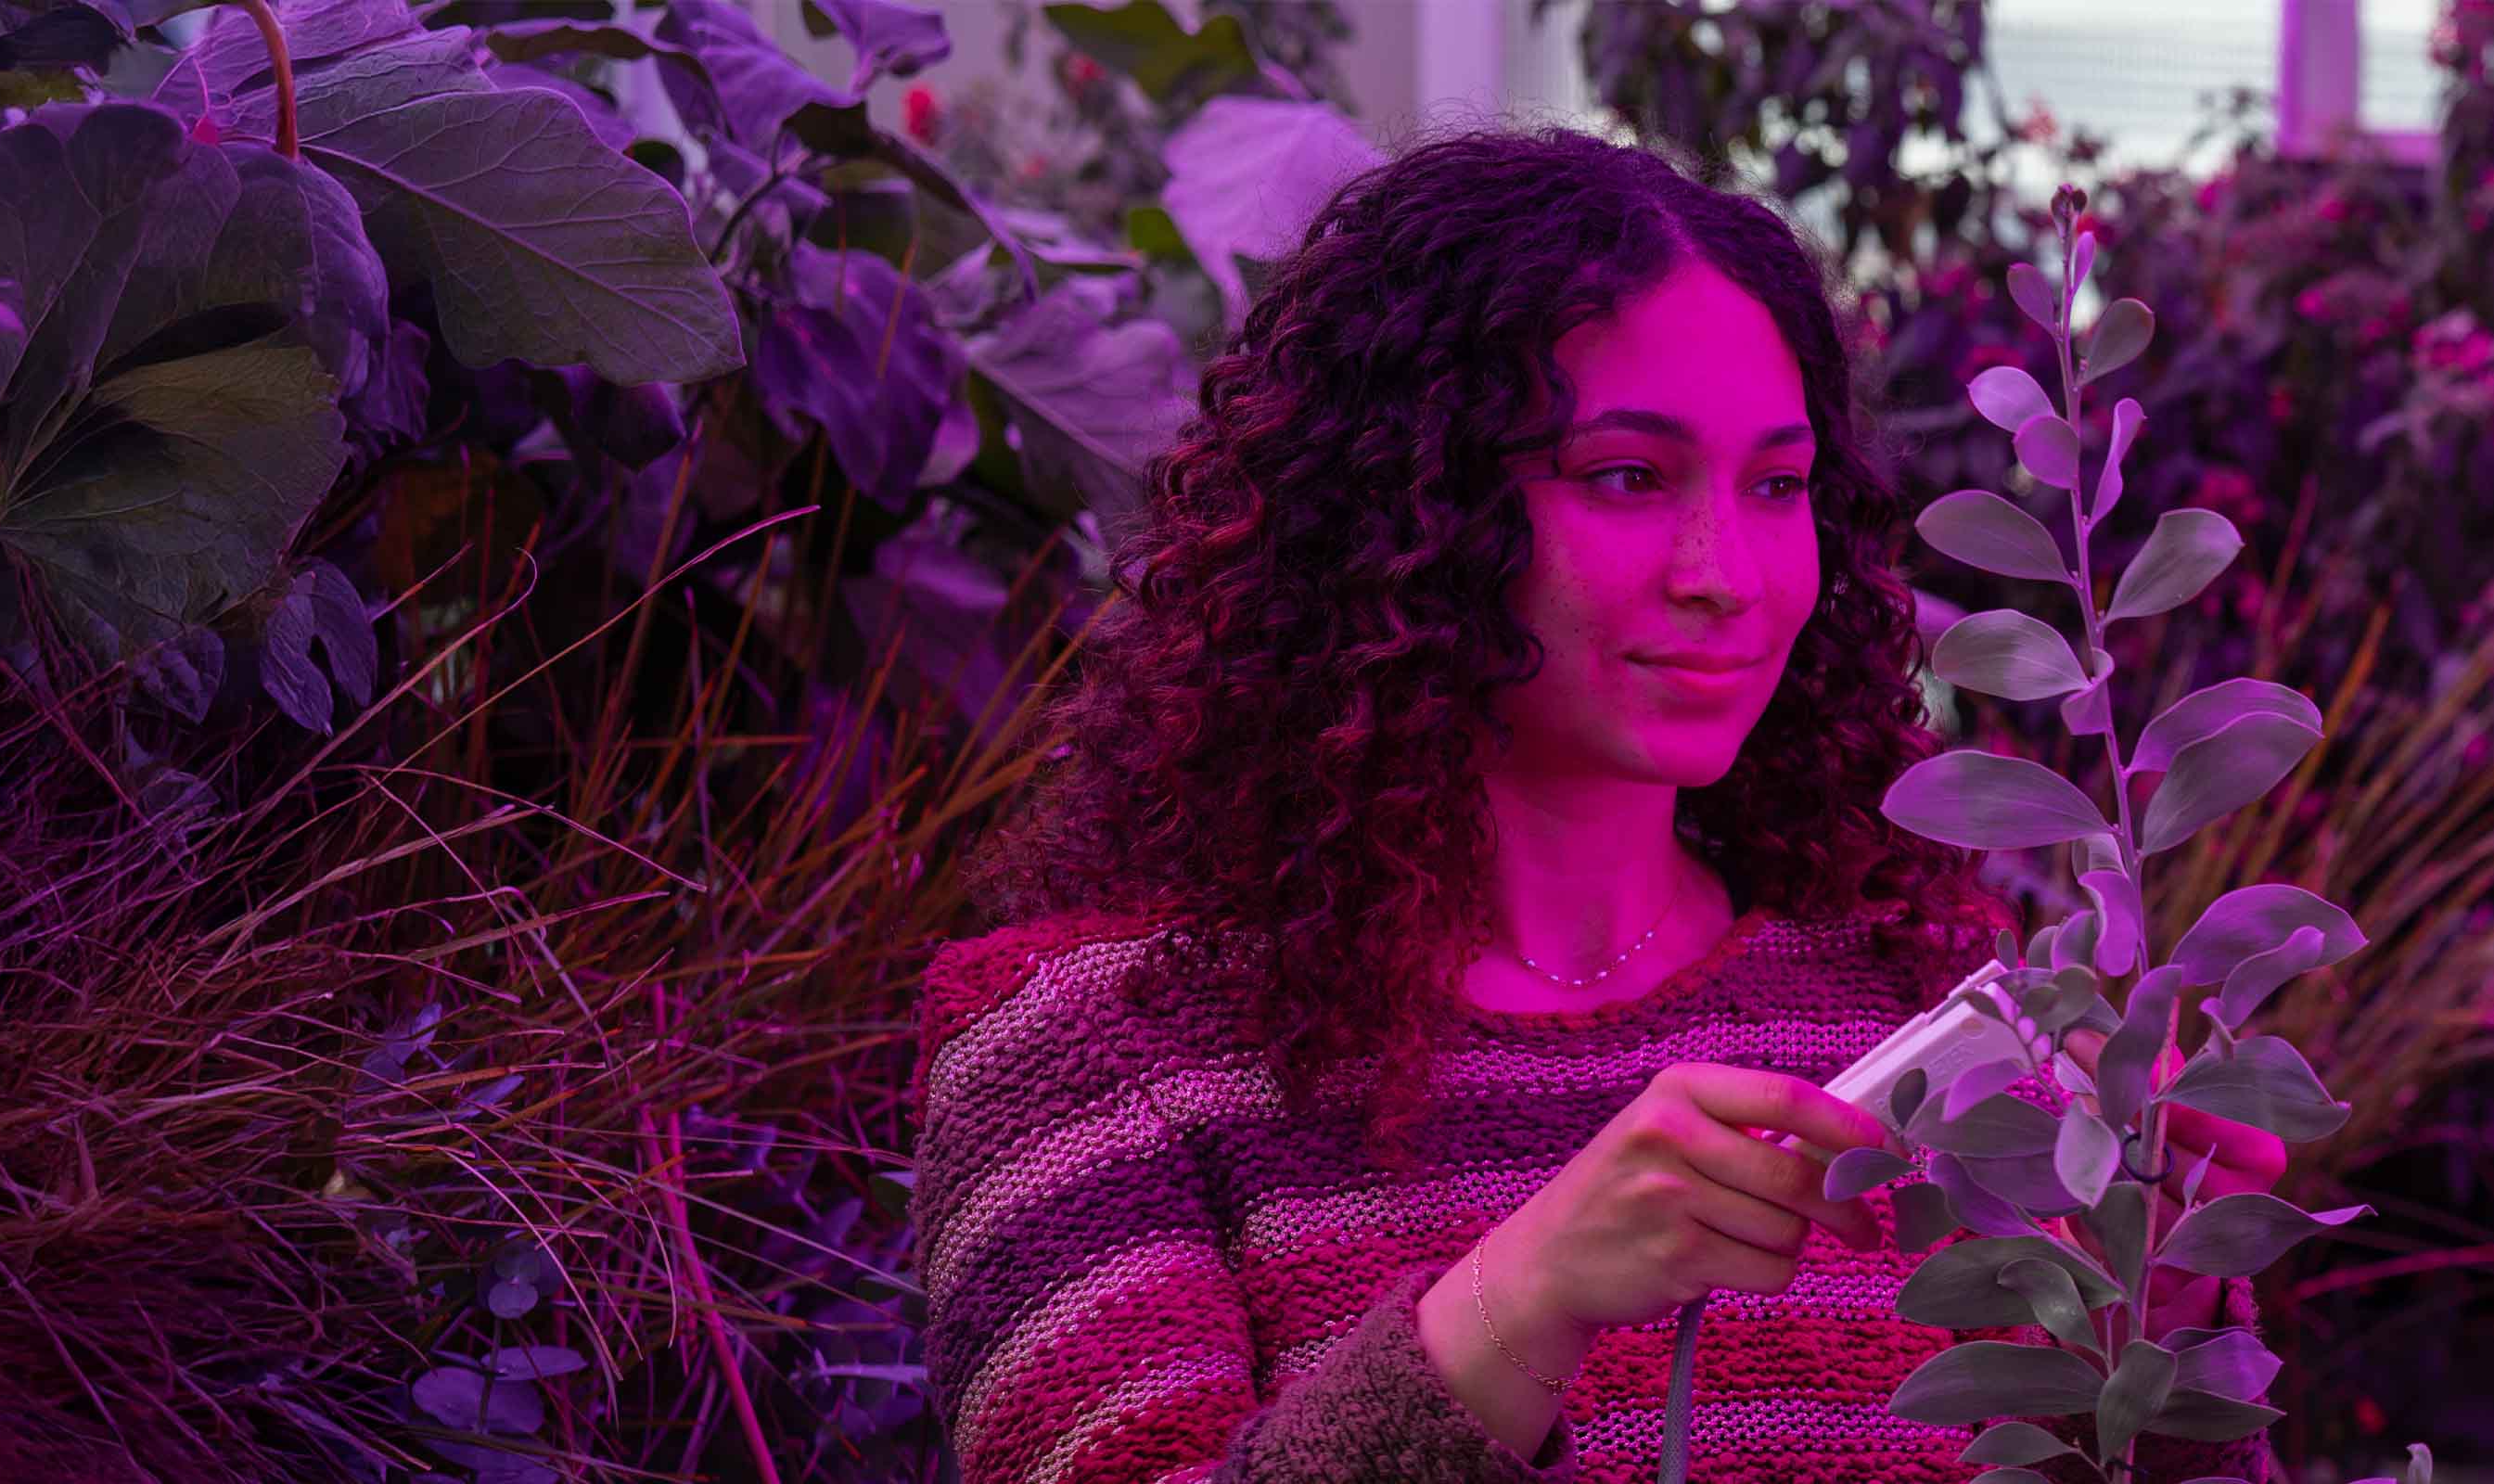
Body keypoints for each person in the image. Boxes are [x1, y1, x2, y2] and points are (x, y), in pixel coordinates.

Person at [910, 124, 2284, 1482]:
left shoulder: (1916, 997)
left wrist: (2153, 1298)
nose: (1726, 575)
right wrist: (1517, 1306)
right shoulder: (1096, 1058)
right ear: (1399, 509)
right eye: (1625, 477)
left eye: (1776, 485)